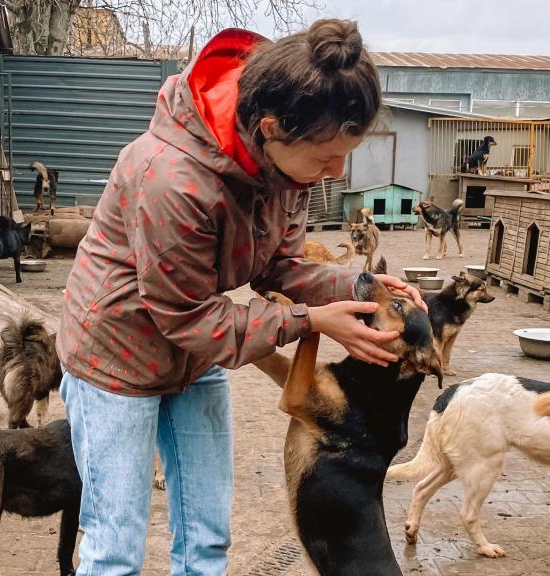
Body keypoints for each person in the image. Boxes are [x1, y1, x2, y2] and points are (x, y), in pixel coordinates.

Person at [58, 18, 425, 575]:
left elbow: (281, 267)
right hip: (117, 355)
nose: (337, 171)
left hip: (194, 350)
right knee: (116, 548)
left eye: (345, 155)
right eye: (327, 157)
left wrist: (362, 287)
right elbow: (186, 314)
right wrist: (310, 322)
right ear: (272, 128)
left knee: (207, 537)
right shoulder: (171, 179)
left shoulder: (286, 172)